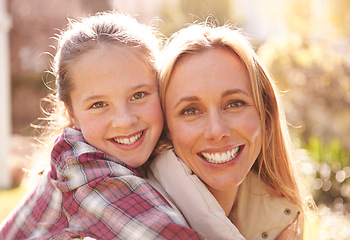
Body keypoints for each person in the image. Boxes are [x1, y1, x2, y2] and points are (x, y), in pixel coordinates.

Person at [0, 12, 203, 240]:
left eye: (138, 95)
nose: (125, 120)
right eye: (98, 104)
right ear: (71, 115)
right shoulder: (86, 174)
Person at [146, 22, 314, 239]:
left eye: (234, 103)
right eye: (191, 111)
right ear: (167, 127)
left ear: (264, 113)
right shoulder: (142, 221)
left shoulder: (281, 218)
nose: (216, 131)